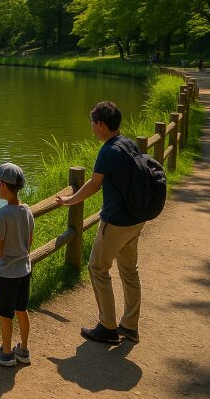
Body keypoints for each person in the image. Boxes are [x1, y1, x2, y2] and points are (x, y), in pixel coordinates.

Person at [56, 101, 144, 345]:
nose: (92, 127)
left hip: (116, 222)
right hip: (136, 219)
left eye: (93, 123)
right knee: (129, 271)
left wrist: (70, 200)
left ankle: (107, 327)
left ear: (102, 125)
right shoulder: (128, 144)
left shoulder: (108, 151)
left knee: (97, 268)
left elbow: (94, 185)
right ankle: (130, 325)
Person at [0, 162, 35, 367]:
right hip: (24, 269)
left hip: (7, 273)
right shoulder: (27, 210)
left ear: (3, 185)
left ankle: (6, 353)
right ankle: (23, 349)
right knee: (21, 309)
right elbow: (30, 238)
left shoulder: (3, 214)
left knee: (5, 314)